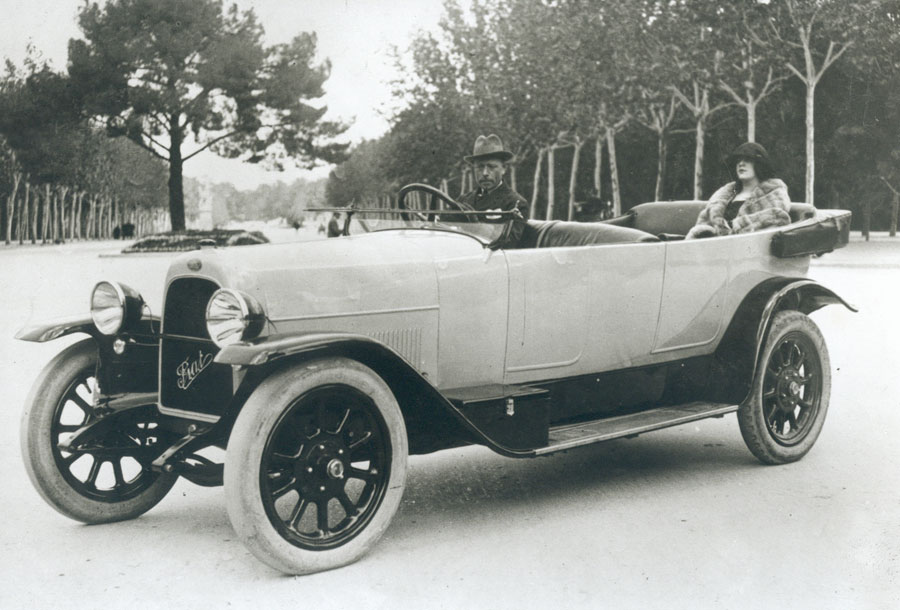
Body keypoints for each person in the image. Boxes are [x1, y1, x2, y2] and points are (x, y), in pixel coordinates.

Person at [686, 142, 792, 239]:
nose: (741, 164)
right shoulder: (724, 196)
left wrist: (738, 227)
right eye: (738, 161)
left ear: (759, 164)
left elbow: (777, 221)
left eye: (747, 159)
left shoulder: (773, 194)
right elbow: (703, 224)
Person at [458, 134, 529, 248]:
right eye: (480, 167)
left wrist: (477, 226)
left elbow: (508, 244)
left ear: (504, 169)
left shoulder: (516, 203)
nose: (485, 173)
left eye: (491, 167)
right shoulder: (463, 201)